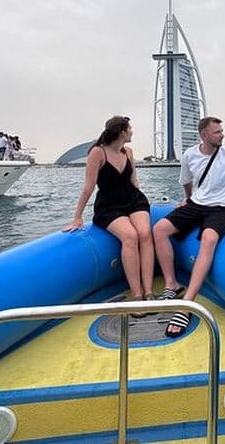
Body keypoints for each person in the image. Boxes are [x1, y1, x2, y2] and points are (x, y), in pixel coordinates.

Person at [153, 116, 225, 337]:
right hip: (197, 203)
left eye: (221, 131)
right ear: (204, 135)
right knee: (159, 229)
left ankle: (187, 303)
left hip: (220, 208)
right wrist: (188, 199)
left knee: (208, 239)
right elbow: (186, 180)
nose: (222, 135)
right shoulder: (190, 155)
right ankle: (171, 284)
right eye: (217, 132)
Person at [63, 116, 155, 309]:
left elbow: (134, 182)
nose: (131, 132)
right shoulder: (97, 153)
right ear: (121, 131)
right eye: (129, 129)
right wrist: (77, 217)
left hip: (133, 200)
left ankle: (149, 292)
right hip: (109, 206)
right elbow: (88, 187)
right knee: (130, 236)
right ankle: (137, 295)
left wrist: (144, 202)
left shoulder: (128, 152)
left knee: (145, 233)